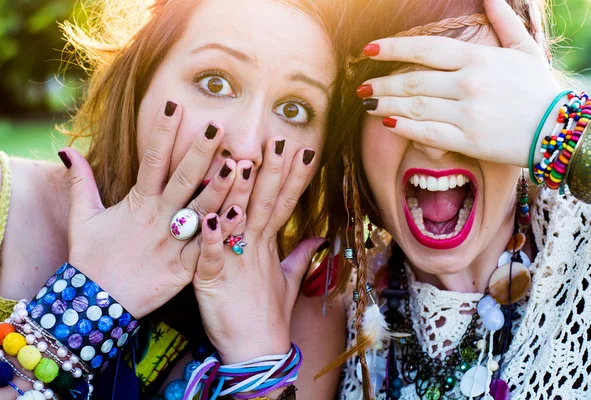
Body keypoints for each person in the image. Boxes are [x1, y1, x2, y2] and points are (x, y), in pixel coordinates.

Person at [0, 0, 347, 398]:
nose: (248, 147)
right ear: (142, 74)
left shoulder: (305, 314)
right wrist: (87, 302)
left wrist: (259, 361)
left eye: (293, 108)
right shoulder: (7, 204)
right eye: (215, 82)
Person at [322, 0, 591, 398]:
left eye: (471, 97)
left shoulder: (588, 250)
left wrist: (562, 126)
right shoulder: (335, 295)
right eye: (402, 92)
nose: (435, 143)